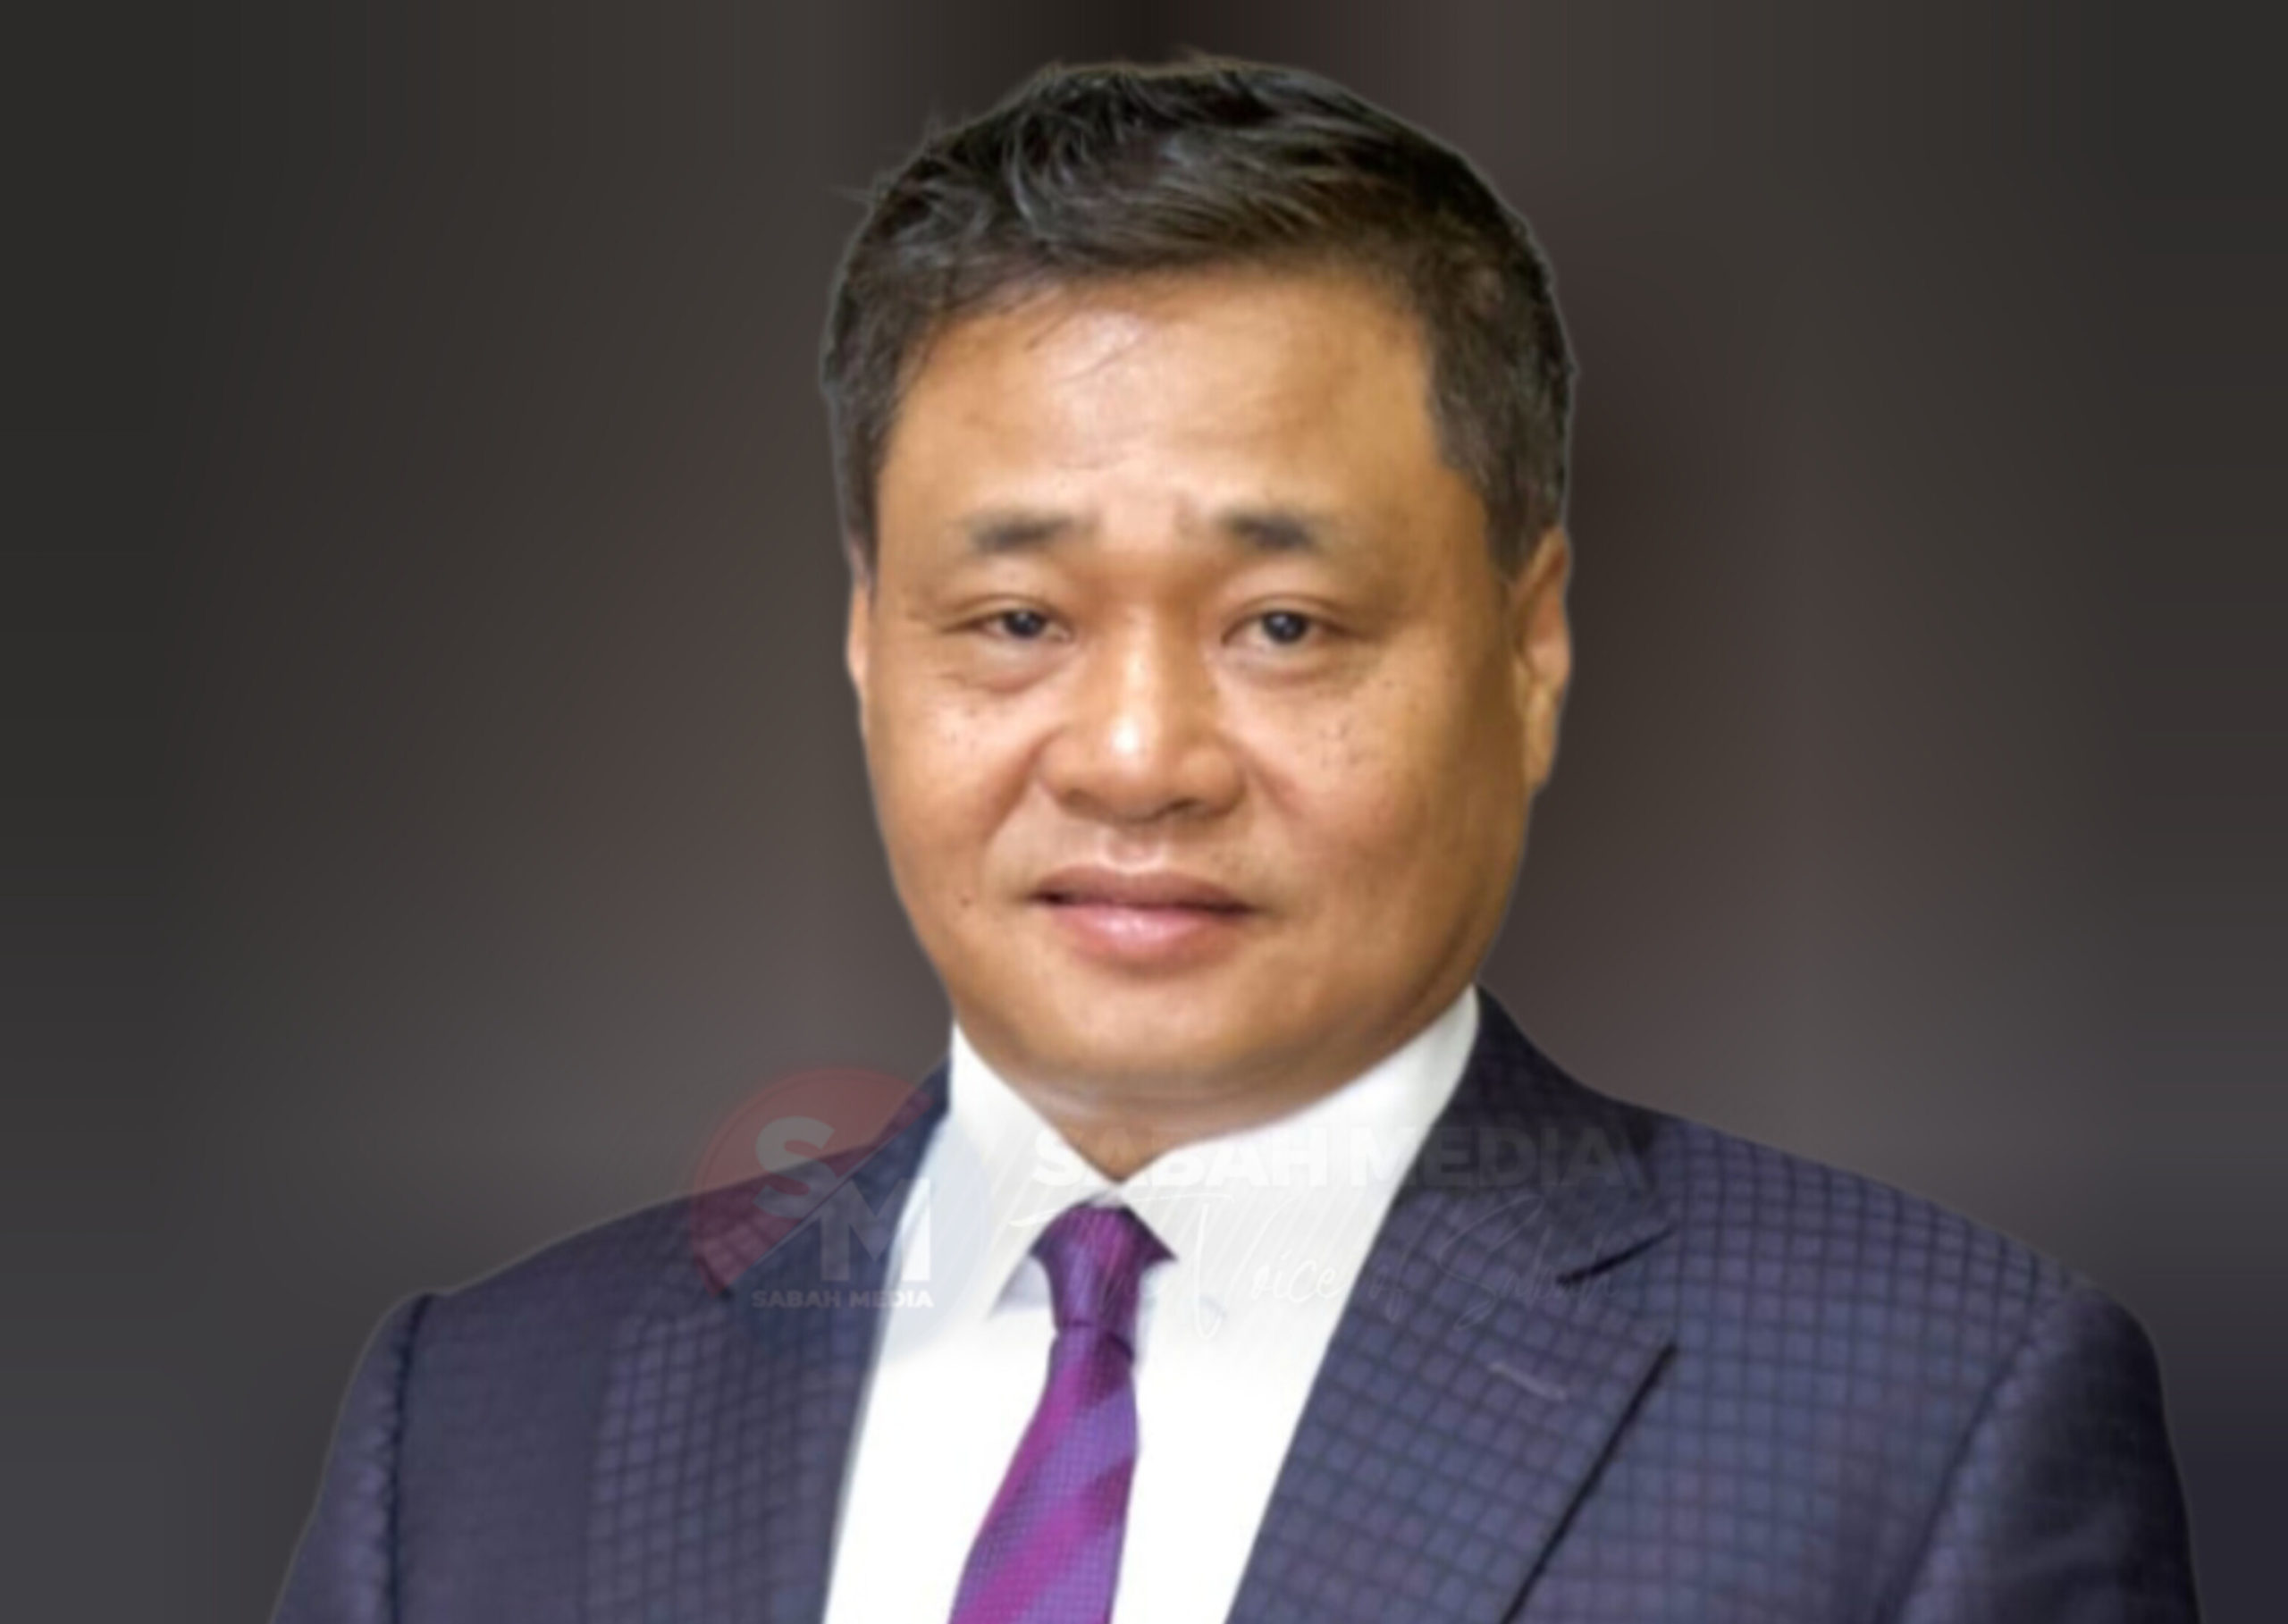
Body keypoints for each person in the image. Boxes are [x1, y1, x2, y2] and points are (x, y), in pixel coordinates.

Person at [273, 58, 2199, 1623]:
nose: (1134, 760)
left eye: (1282, 625)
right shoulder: (478, 1422)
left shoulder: (1926, 1421)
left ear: (1529, 649)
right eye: (1014, 619)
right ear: (866, 643)